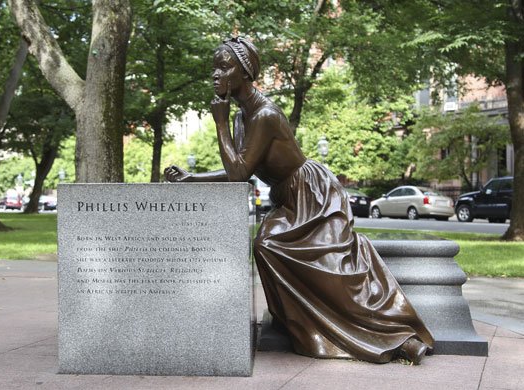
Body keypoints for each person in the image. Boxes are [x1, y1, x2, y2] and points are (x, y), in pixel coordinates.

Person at [164, 37, 433, 364]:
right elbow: (240, 170)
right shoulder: (241, 118)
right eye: (213, 68)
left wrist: (218, 122)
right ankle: (297, 321)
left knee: (307, 257)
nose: (215, 75)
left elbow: (237, 174)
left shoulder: (264, 115)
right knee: (266, 245)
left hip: (313, 195)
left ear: (245, 71)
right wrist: (192, 178)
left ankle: (391, 337)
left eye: (224, 66)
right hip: (289, 198)